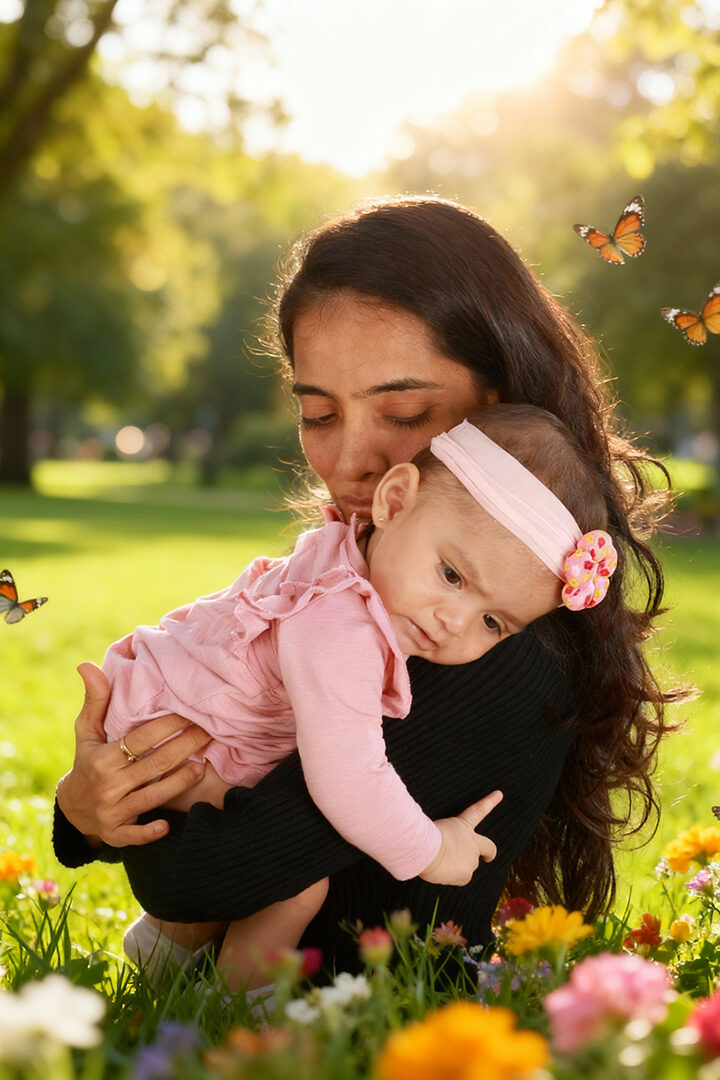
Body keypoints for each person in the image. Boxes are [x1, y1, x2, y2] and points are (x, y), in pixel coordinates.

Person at [53, 195, 683, 975]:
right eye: (319, 413)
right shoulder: (370, 586)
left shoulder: (499, 648)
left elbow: (203, 874)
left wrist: (126, 814)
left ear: (497, 406)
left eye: (405, 411)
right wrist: (85, 809)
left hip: (363, 1012)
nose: (352, 460)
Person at [103, 406, 617, 989]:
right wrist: (431, 848)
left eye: (493, 622)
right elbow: (349, 775)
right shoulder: (340, 625)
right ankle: (235, 1007)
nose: (454, 622)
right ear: (394, 502)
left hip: (174, 717)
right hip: (173, 734)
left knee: (265, 845)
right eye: (452, 575)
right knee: (294, 885)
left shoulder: (348, 565)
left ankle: (162, 951)